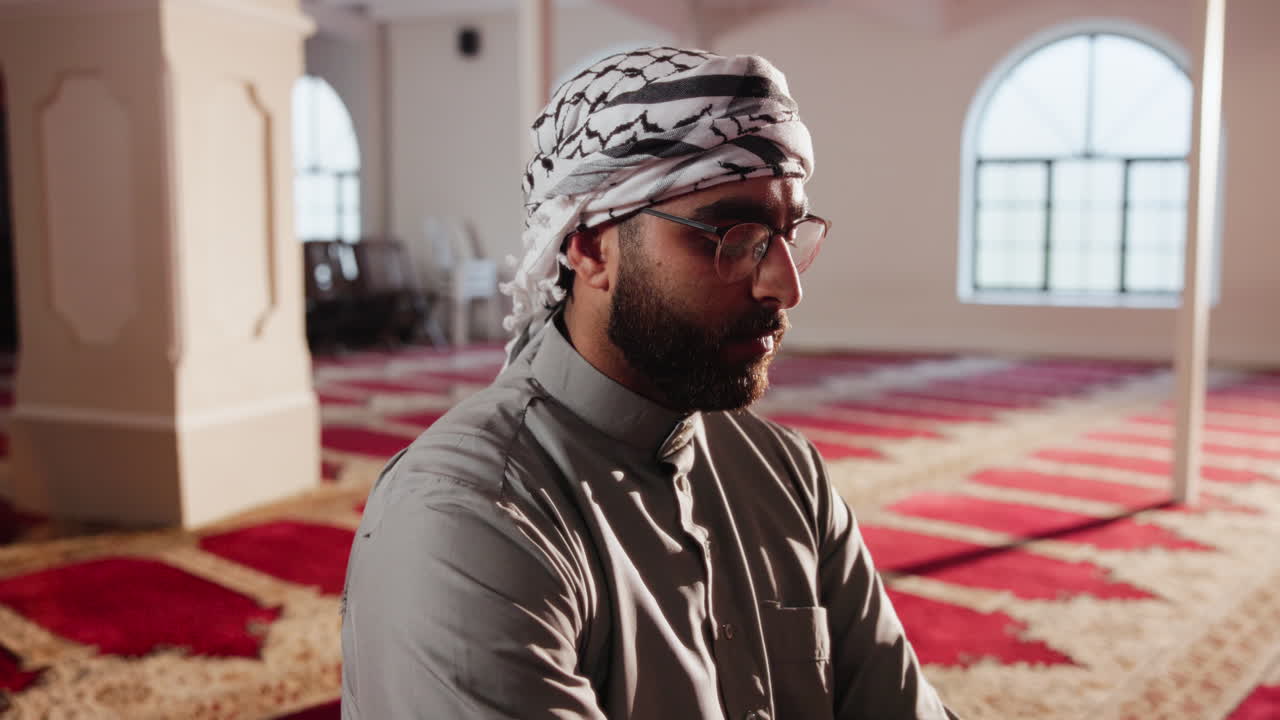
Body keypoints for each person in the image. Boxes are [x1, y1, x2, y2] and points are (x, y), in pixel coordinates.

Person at [340, 47, 957, 720]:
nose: (785, 284)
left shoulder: (789, 476)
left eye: (786, 233)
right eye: (728, 235)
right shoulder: (468, 516)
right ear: (589, 246)